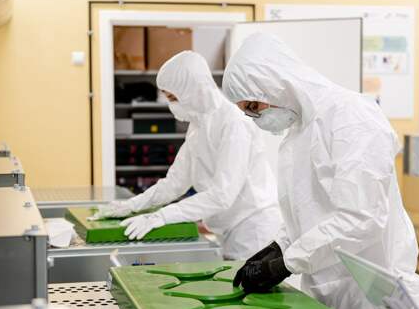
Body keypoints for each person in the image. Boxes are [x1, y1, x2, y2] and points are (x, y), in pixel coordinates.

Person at [223, 33, 419, 309]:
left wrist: (286, 262)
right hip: (329, 289)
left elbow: (361, 218)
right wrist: (278, 246)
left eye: (254, 107)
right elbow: (309, 211)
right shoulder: (298, 133)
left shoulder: (351, 118)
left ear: (275, 82)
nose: (255, 119)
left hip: (375, 300)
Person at [98, 50, 283, 260]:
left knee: (248, 280)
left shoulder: (234, 123)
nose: (171, 105)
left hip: (253, 228)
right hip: (228, 228)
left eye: (173, 98)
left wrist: (163, 216)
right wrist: (133, 205)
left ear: (192, 90)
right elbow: (175, 182)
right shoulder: (198, 124)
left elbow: (222, 194)